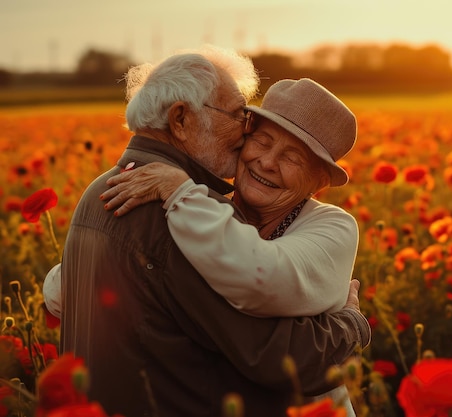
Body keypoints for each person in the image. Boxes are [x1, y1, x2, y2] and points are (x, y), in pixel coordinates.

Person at [48, 45, 370, 417]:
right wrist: (351, 323)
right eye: (252, 131)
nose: (264, 159)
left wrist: (181, 191)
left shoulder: (111, 190)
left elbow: (262, 275)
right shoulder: (176, 213)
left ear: (318, 181)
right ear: (181, 120)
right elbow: (283, 356)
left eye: (292, 157)